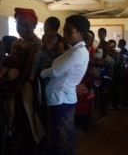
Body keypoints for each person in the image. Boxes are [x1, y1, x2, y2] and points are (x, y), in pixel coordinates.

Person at [40, 15, 90, 154]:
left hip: (61, 98)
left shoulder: (78, 53)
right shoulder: (73, 49)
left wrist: (41, 73)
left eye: (69, 31)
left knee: (62, 138)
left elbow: (55, 71)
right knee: (61, 135)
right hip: (60, 97)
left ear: (80, 33)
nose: (65, 33)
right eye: (65, 29)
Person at [4, 8, 45, 148]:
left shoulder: (37, 44)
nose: (22, 28)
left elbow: (27, 72)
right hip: (13, 83)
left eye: (27, 25)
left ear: (34, 25)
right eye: (19, 25)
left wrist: (10, 85)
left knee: (26, 118)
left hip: (27, 87)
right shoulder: (16, 43)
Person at [29, 33, 61, 103]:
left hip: (54, 74)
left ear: (54, 43)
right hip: (43, 74)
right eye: (43, 41)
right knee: (44, 88)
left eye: (49, 41)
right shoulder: (40, 53)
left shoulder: (57, 52)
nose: (45, 43)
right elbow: (35, 64)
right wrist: (32, 74)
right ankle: (44, 100)